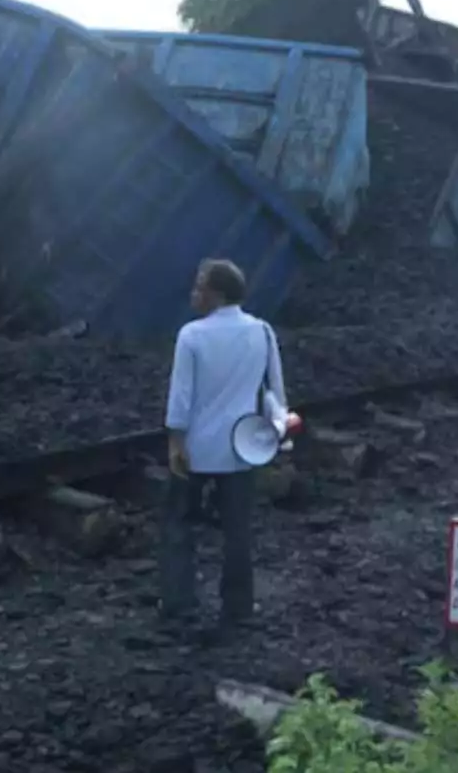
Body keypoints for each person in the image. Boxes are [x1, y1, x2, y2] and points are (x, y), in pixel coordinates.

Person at [159, 258, 289, 640]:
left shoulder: (192, 336)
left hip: (197, 448)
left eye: (199, 285)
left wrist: (175, 442)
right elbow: (276, 392)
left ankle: (178, 605)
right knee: (237, 530)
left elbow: (181, 396)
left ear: (215, 293)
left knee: (180, 524)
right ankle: (238, 608)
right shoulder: (262, 332)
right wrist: (277, 433)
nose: (194, 292)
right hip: (243, 447)